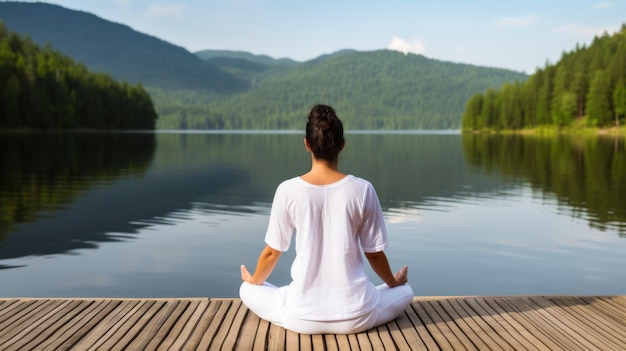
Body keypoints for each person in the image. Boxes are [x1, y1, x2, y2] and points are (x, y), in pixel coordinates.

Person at [239, 104, 413, 334]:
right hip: (356, 317)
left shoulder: (288, 190)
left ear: (307, 145)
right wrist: (393, 282)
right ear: (342, 145)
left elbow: (272, 252)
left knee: (247, 289)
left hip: (301, 317)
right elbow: (374, 254)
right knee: (406, 291)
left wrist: (254, 281)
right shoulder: (363, 189)